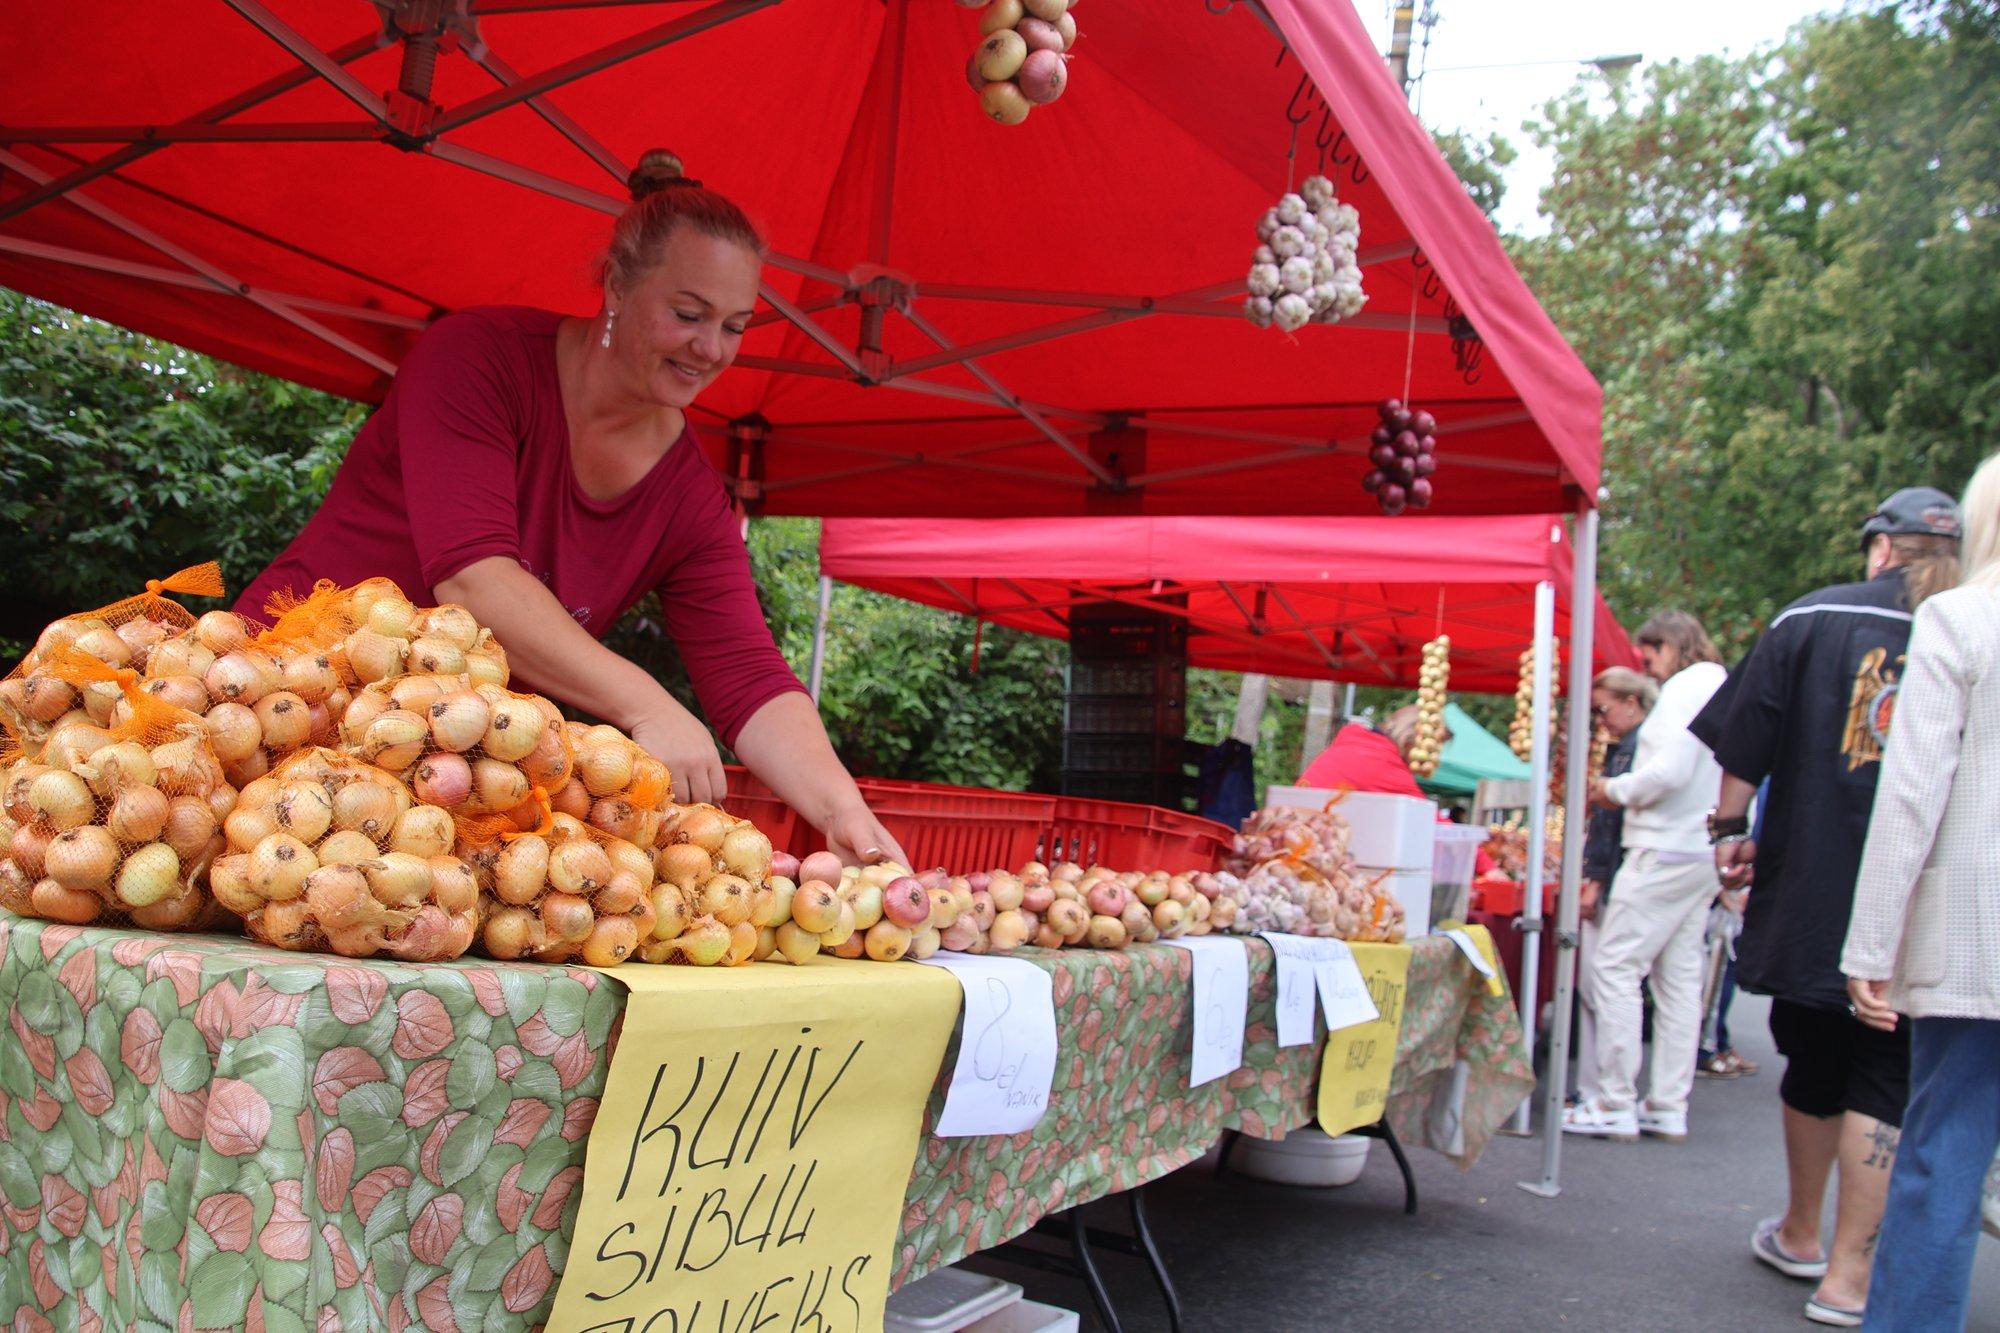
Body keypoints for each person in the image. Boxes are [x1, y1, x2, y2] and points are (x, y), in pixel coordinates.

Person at [236, 150, 904, 866]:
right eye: (688, 314)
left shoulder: (690, 498)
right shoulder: (476, 358)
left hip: (430, 784)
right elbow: (472, 577)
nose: (710, 348)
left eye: (736, 326)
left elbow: (747, 672)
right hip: (272, 704)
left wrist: (844, 810)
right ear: (617, 285)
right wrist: (647, 705)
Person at [1690, 486, 1961, 1328]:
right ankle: (1849, 1276)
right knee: (1888, 1065)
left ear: (1881, 546)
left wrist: (1731, 830)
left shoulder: (1810, 616)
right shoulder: (1975, 628)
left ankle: (1803, 1231)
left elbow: (1746, 734)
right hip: (1926, 893)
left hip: (1815, 881)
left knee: (1812, 1051)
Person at [1841, 456, 2000, 1332]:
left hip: (1982, 936)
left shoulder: (1962, 617)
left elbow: (1910, 792)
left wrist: (1872, 946)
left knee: (1943, 1150)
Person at [1562, 611, 1727, 1143]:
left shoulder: (1683, 690)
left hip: (1662, 846)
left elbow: (1670, 772)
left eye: (1650, 655)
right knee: (1679, 982)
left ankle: (1614, 1099)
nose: (1646, 668)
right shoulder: (1720, 686)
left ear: (1670, 646)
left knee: (1614, 967)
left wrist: (1614, 789)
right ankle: (1667, 1104)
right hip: (1699, 850)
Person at [1573, 665, 1657, 1105]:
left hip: (1621, 878)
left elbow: (1609, 821)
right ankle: (1604, 1089)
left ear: (1630, 703)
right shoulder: (1639, 745)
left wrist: (1593, 881)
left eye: (1603, 709)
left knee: (1604, 982)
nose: (1600, 720)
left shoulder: (1630, 751)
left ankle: (1606, 1092)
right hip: (1632, 873)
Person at [1296, 704, 1446, 798]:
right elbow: (1430, 822)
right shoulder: (1382, 763)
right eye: (1432, 749)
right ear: (1410, 740)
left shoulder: (1359, 745)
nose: (1434, 760)